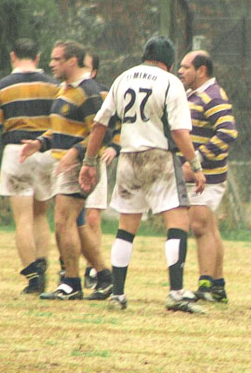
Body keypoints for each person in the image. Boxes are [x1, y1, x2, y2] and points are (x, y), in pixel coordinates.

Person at [76, 36, 206, 313]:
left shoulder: (122, 79)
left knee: (126, 227)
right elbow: (180, 132)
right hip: (159, 157)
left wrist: (89, 161)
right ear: (169, 62)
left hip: (128, 157)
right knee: (178, 222)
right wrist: (195, 165)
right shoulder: (170, 82)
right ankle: (176, 292)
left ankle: (118, 295)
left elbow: (100, 125)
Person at [19, 41, 111, 301]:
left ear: (73, 61)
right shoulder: (64, 90)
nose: (51, 64)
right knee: (77, 225)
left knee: (63, 222)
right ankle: (104, 277)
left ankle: (71, 282)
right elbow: (60, 129)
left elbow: (102, 132)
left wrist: (77, 154)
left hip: (80, 167)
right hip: (63, 165)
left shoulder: (89, 91)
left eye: (57, 59)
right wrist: (40, 143)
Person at [0, 38, 58, 294]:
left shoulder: (2, 87)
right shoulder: (54, 85)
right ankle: (44, 265)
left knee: (22, 220)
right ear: (38, 57)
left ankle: (33, 279)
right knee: (40, 215)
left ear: (12, 56)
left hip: (16, 153)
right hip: (46, 151)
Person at [176, 49, 238, 303]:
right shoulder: (194, 94)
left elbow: (228, 132)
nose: (180, 71)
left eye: (186, 67)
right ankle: (218, 285)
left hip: (207, 176)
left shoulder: (212, 96)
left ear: (201, 71)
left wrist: (195, 161)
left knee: (200, 226)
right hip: (199, 175)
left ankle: (205, 285)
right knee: (209, 227)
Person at [78, 51, 117, 291]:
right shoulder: (64, 92)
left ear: (93, 72)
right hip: (69, 161)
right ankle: (68, 267)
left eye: (85, 67)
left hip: (93, 162)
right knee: (69, 218)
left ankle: (93, 269)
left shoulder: (105, 93)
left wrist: (114, 146)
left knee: (92, 217)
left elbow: (121, 122)